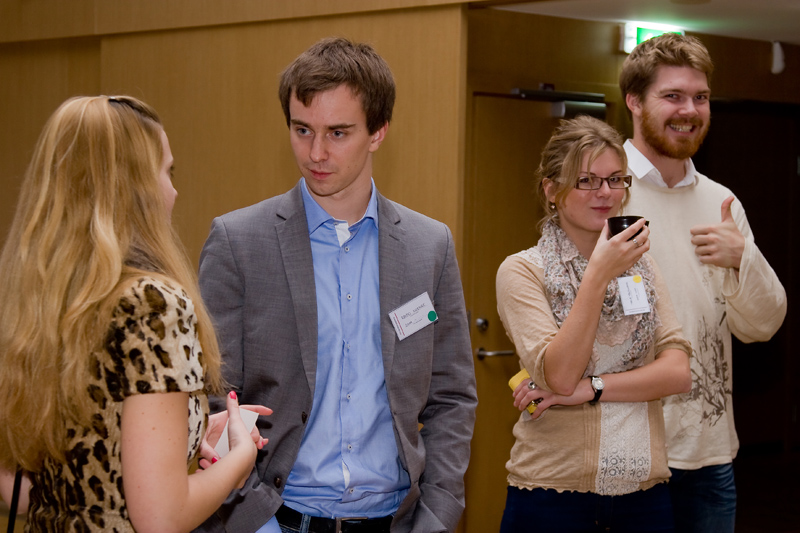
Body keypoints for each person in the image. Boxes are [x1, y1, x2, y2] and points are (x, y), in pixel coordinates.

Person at [195, 37, 477, 533]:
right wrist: (257, 524)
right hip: (278, 520)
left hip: (397, 520)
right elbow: (213, 397)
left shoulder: (428, 246)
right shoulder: (239, 243)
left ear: (378, 132)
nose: (316, 153)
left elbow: (451, 396)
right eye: (301, 129)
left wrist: (437, 515)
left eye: (338, 133)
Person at [0, 95, 270, 532]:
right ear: (136, 187)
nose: (174, 191)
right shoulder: (152, 305)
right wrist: (241, 458)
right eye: (167, 172)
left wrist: (187, 430)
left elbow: (25, 490)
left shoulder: (40, 303)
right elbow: (161, 518)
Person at [619, 33, 787, 532]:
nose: (689, 111)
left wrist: (741, 259)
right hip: (626, 453)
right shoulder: (603, 192)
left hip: (710, 457)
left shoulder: (721, 202)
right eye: (672, 96)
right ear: (634, 101)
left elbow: (763, 324)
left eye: (701, 97)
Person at [497, 115, 692, 532]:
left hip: (644, 493)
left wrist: (591, 389)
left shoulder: (643, 267)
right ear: (552, 190)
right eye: (586, 180)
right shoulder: (522, 271)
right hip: (553, 494)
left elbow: (677, 373)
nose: (605, 192)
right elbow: (560, 375)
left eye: (615, 179)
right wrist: (598, 274)